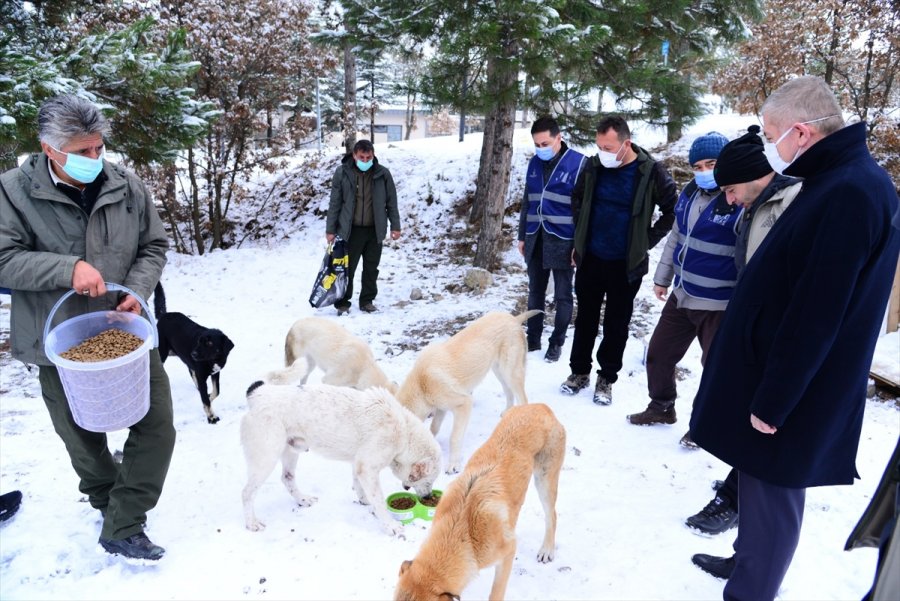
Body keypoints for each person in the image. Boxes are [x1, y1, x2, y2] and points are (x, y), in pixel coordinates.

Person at [688, 76, 900, 601]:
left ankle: (751, 591)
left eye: (769, 133)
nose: (766, 144)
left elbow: (818, 311)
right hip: (776, 371)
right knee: (756, 484)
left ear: (801, 133)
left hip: (794, 387)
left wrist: (777, 399)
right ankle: (745, 564)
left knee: (772, 496)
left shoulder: (851, 192)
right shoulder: (837, 178)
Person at [0, 95, 175, 560]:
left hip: (125, 330)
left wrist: (136, 290)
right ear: (49, 149)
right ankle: (106, 499)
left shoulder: (125, 184)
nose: (95, 160)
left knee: (157, 425)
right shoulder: (12, 191)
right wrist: (66, 268)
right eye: (83, 152)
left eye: (99, 148)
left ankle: (125, 520)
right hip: (57, 337)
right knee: (83, 437)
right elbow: (3, 261)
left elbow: (153, 246)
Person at [684, 124, 803, 547]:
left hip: (775, 337)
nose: (728, 200)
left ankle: (734, 505)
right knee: (742, 417)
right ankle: (743, 537)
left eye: (731, 189)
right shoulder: (755, 203)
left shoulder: (794, 201)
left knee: (760, 430)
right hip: (747, 323)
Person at [626, 132, 736, 447]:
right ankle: (661, 407)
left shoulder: (737, 199)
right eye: (698, 165)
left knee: (713, 369)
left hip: (717, 303)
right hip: (682, 293)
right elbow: (677, 235)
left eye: (711, 164)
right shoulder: (689, 193)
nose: (703, 171)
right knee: (659, 354)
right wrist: (662, 277)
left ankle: (705, 427)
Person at [560, 115, 676, 405]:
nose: (603, 152)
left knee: (617, 323)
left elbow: (672, 211)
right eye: (599, 145)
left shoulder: (650, 172)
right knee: (585, 317)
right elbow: (576, 198)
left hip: (626, 264)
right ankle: (579, 372)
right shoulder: (593, 166)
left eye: (609, 147)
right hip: (591, 258)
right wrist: (581, 236)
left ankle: (606, 378)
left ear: (626, 143)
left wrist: (644, 242)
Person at [517, 116, 587, 363]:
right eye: (537, 144)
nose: (540, 149)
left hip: (563, 241)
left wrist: (579, 246)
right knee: (535, 292)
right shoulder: (534, 163)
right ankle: (533, 338)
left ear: (559, 138)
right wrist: (522, 235)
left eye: (545, 143)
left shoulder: (579, 164)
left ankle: (556, 342)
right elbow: (528, 200)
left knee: (562, 295)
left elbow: (584, 211)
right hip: (535, 237)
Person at [326, 139, 401, 315]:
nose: (365, 161)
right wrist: (330, 230)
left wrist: (395, 226)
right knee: (347, 269)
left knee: (371, 268)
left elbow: (392, 202)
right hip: (350, 230)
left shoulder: (383, 174)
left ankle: (367, 301)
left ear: (373, 155)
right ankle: (343, 302)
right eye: (362, 157)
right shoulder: (342, 172)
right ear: (354, 155)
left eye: (369, 157)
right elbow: (335, 203)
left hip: (375, 230)